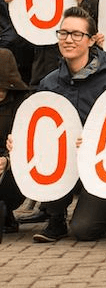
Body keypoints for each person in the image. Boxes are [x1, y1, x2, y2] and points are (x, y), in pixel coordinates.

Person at [22, 7, 106, 243]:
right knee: (47, 146)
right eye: (64, 33)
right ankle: (55, 218)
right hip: (65, 159)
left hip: (100, 165)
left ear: (91, 41)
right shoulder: (49, 82)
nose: (69, 39)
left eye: (77, 34)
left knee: (83, 231)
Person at [0, 48, 30, 241]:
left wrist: (7, 160)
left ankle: (5, 208)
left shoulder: (25, 105)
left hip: (11, 172)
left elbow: (29, 146)